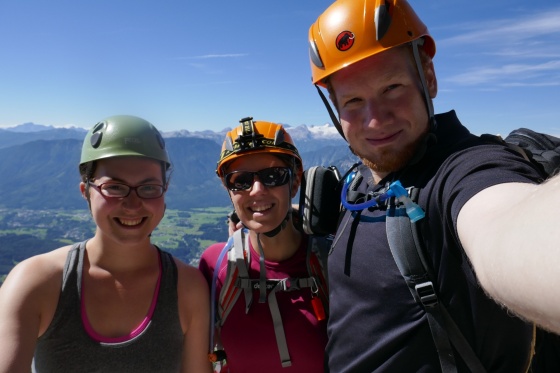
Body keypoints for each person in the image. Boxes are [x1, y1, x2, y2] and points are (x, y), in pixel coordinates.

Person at [307, 0, 560, 372]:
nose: (375, 120)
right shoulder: (360, 181)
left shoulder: (466, 169)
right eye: (353, 101)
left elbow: (508, 225)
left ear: (429, 78)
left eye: (392, 87)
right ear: (335, 109)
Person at [0, 115, 212, 373]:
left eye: (148, 188)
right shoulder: (35, 282)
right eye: (114, 187)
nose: (133, 204)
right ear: (85, 191)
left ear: (164, 191)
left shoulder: (189, 288)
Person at [199, 117, 329, 372]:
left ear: (295, 182)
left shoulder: (331, 261)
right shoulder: (215, 266)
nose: (256, 190)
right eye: (241, 180)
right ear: (229, 191)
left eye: (273, 176)